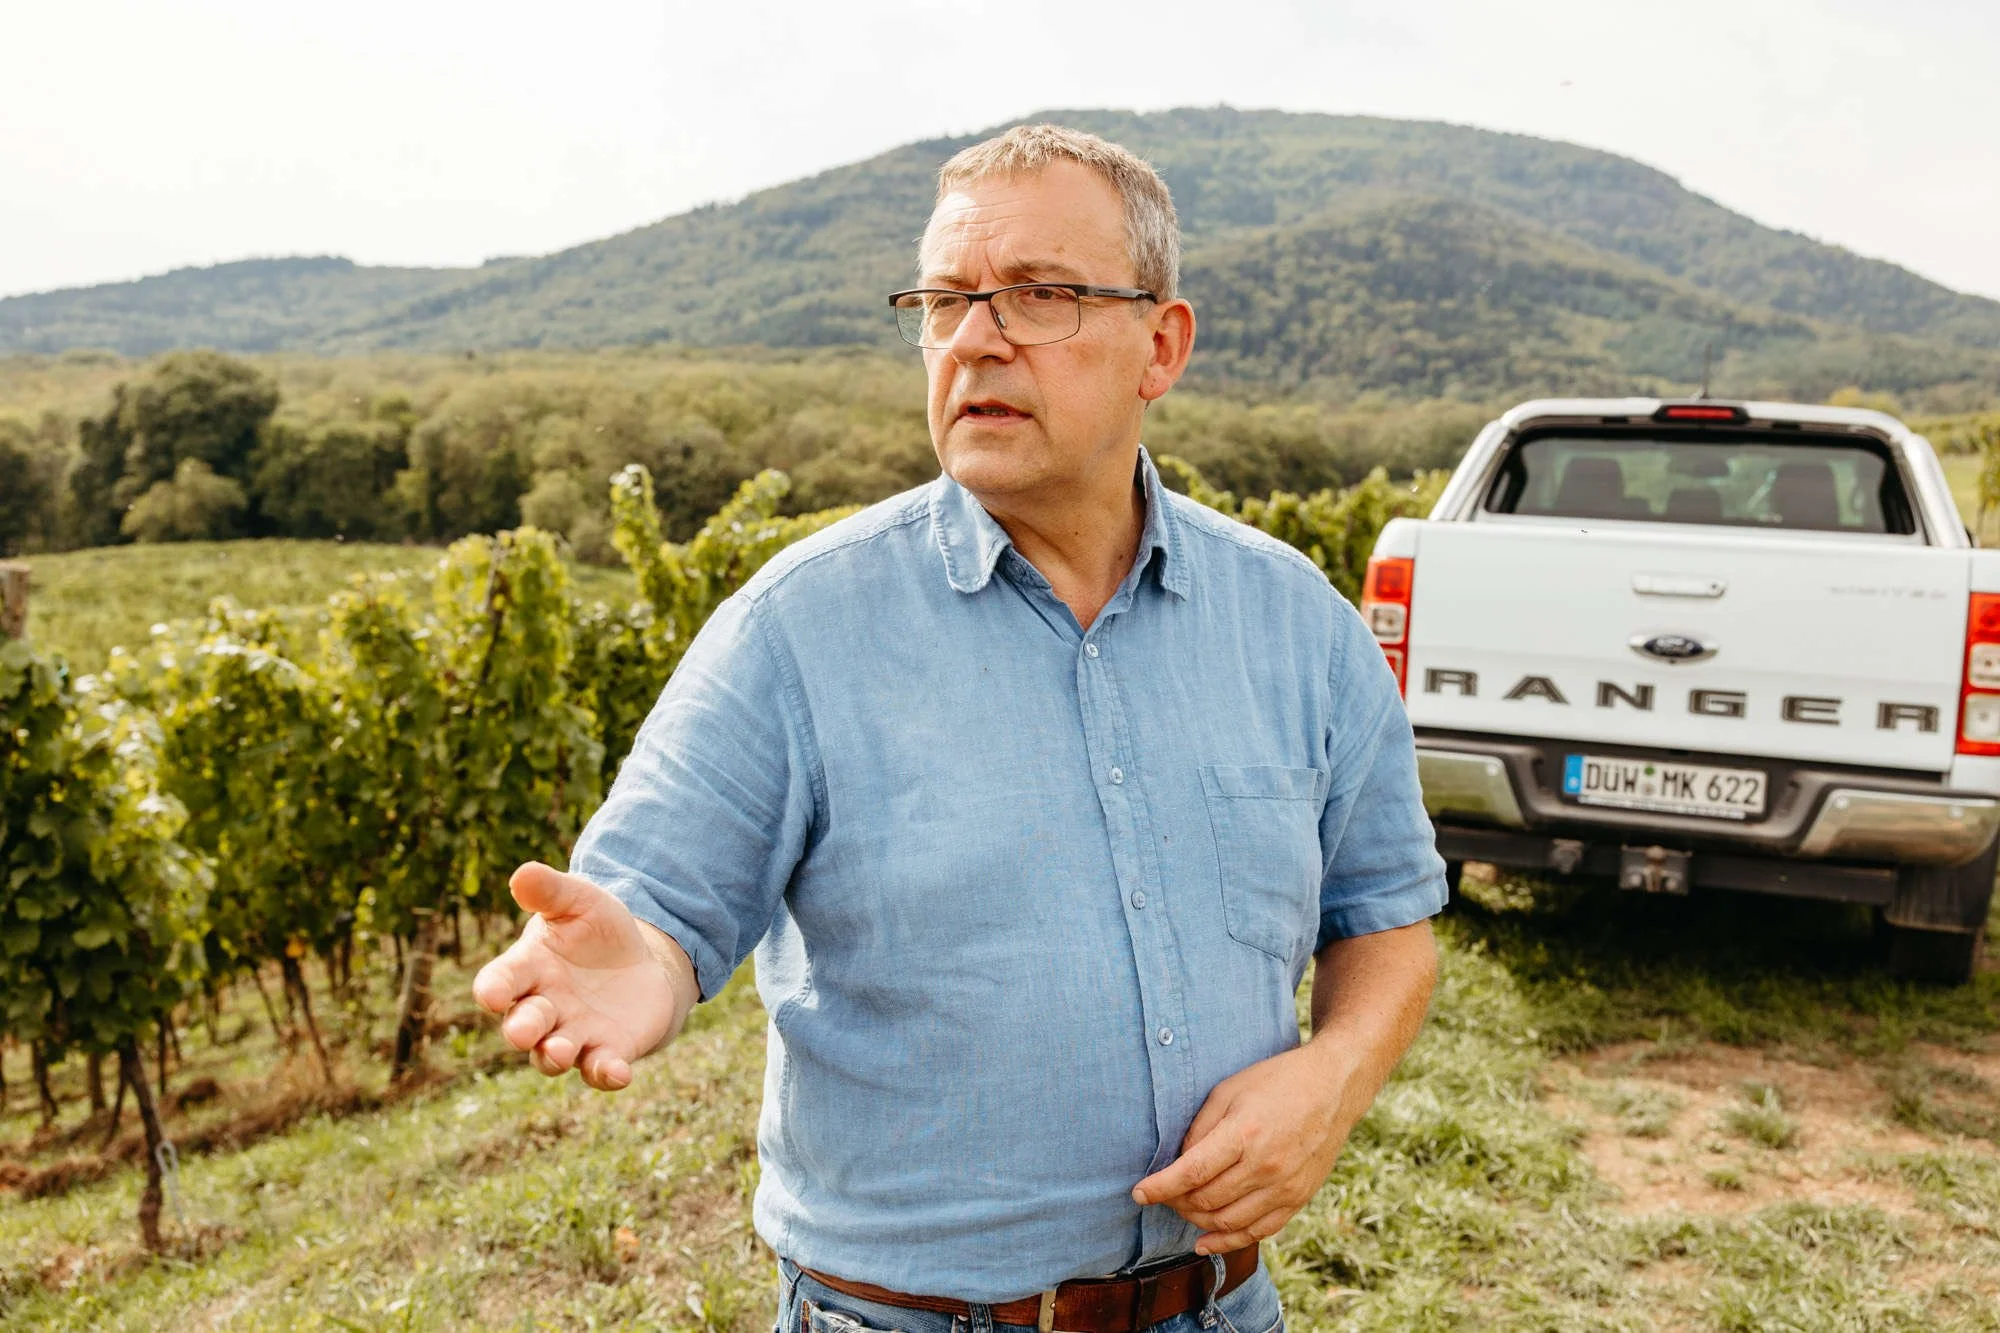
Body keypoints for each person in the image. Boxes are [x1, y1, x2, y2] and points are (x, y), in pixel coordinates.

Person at [473, 124, 1446, 1333]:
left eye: (1037, 295)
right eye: (943, 301)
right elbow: (654, 915)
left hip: (1221, 1307)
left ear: (1161, 343)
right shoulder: (796, 629)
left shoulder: (1295, 622)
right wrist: (639, 966)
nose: (975, 337)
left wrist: (1331, 1076)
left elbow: (1387, 919)